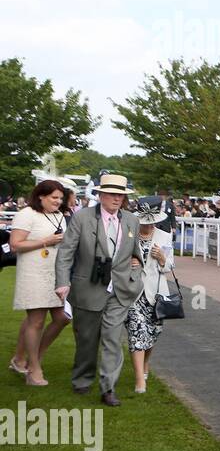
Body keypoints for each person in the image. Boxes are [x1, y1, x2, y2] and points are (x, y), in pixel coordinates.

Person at [53, 174, 144, 406]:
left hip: (121, 290)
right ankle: (83, 378)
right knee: (87, 339)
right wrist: (62, 281)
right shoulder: (82, 218)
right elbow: (66, 252)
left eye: (120, 195)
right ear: (101, 195)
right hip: (87, 287)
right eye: (112, 194)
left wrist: (135, 274)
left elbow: (136, 253)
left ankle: (108, 388)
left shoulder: (131, 220)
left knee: (113, 339)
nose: (116, 198)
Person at [8, 180, 72, 386]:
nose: (58, 201)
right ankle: (33, 370)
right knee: (35, 321)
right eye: (54, 197)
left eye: (61, 198)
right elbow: (15, 245)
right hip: (34, 273)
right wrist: (46, 241)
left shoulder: (60, 216)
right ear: (41, 196)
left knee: (62, 318)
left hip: (56, 274)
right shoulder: (26, 214)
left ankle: (27, 358)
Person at [126, 205, 174, 395]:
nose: (148, 226)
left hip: (156, 293)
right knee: (136, 331)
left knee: (152, 332)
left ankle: (145, 363)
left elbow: (169, 267)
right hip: (133, 292)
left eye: (151, 223)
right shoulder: (129, 235)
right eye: (145, 223)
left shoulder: (164, 236)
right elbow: (116, 258)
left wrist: (162, 258)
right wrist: (129, 263)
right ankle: (139, 380)